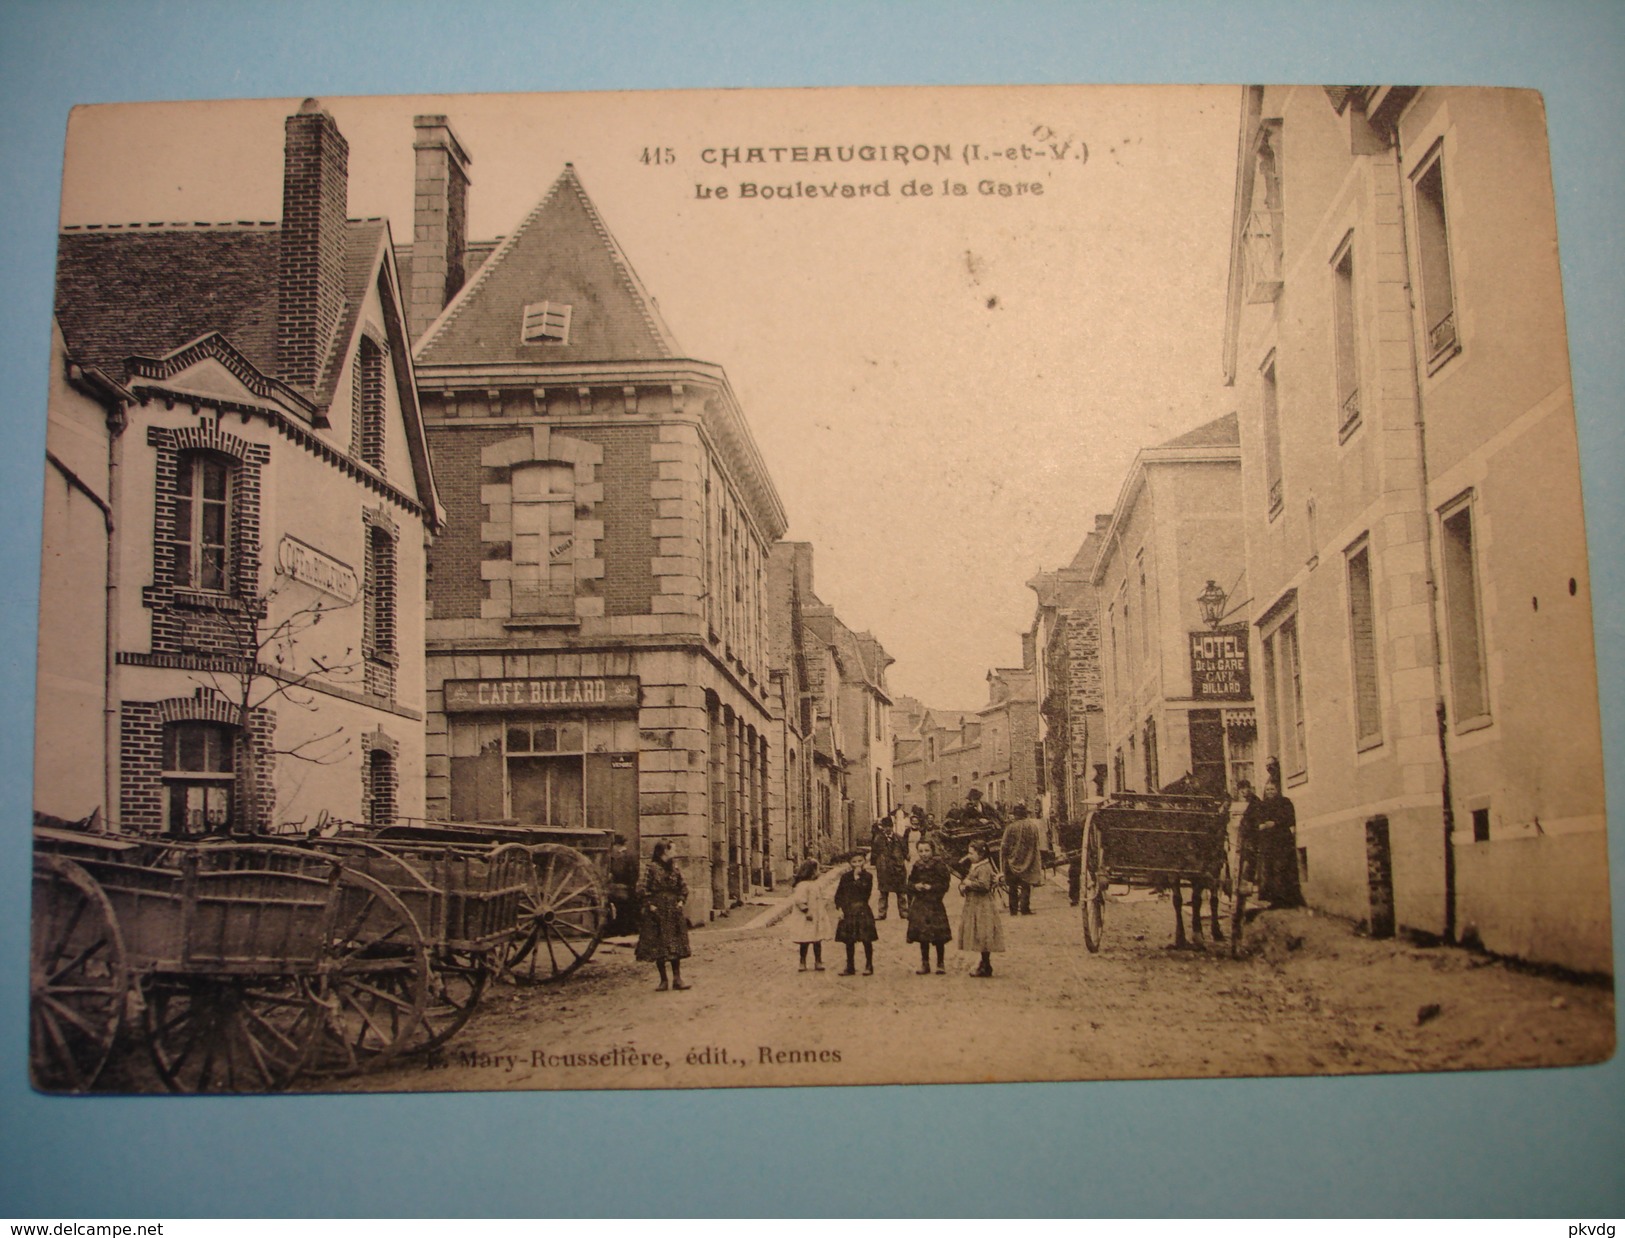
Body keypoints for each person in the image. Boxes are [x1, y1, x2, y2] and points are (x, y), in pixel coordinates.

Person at [635, 841, 691, 990]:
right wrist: (650, 905)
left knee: (675, 945)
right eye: (673, 849)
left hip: (673, 909)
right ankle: (663, 980)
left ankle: (677, 979)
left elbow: (683, 886)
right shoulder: (651, 868)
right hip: (657, 910)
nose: (675, 851)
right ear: (665, 851)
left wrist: (680, 901)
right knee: (658, 945)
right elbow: (642, 889)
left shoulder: (675, 868)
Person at [957, 839, 1005, 976]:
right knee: (979, 932)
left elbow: (984, 885)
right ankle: (984, 963)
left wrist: (968, 883)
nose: (969, 855)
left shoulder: (984, 867)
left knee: (983, 932)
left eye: (972, 853)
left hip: (982, 904)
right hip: (975, 903)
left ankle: (985, 964)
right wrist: (963, 887)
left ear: (981, 854)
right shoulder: (976, 866)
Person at [904, 838, 953, 974]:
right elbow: (909, 884)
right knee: (922, 935)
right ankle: (925, 963)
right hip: (920, 904)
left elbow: (945, 884)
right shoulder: (917, 865)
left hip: (934, 904)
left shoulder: (939, 865)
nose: (924, 854)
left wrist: (931, 887)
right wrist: (915, 886)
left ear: (932, 851)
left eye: (927, 850)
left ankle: (940, 963)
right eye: (921, 851)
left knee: (938, 936)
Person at [833, 850, 879, 975]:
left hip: (862, 909)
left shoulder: (868, 876)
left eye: (860, 861)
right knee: (849, 940)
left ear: (865, 861)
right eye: (854, 862)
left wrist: (857, 878)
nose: (857, 864)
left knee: (866, 939)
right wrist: (840, 908)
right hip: (848, 911)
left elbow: (865, 893)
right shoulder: (845, 877)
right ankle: (850, 966)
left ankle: (869, 965)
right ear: (849, 863)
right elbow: (839, 894)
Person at [785, 857, 833, 972]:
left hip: (816, 916)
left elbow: (822, 896)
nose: (819, 872)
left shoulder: (816, 884)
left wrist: (824, 902)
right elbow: (799, 900)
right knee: (804, 941)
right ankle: (802, 962)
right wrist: (806, 911)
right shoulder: (802, 885)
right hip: (806, 917)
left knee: (817, 940)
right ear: (811, 871)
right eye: (817, 870)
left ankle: (818, 961)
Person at [999, 803, 1045, 915]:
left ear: (1015, 815)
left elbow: (1004, 845)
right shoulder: (1033, 827)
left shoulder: (1010, 827)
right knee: (1026, 885)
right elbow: (1036, 843)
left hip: (1012, 861)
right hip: (1028, 860)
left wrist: (1004, 859)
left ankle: (1013, 910)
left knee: (1012, 887)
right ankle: (1025, 908)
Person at [870, 815, 908, 919]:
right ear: (882, 827)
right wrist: (878, 865)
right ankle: (882, 913)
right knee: (883, 892)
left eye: (889, 826)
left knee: (901, 892)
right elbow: (874, 854)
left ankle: (904, 912)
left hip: (898, 869)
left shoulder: (899, 838)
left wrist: (900, 860)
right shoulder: (878, 839)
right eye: (885, 826)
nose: (887, 829)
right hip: (884, 869)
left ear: (892, 827)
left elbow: (905, 852)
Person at [606, 833, 640, 936]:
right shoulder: (616, 857)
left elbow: (633, 874)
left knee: (622, 906)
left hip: (626, 888)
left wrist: (627, 886)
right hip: (620, 887)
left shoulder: (628, 856)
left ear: (617, 845)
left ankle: (623, 929)